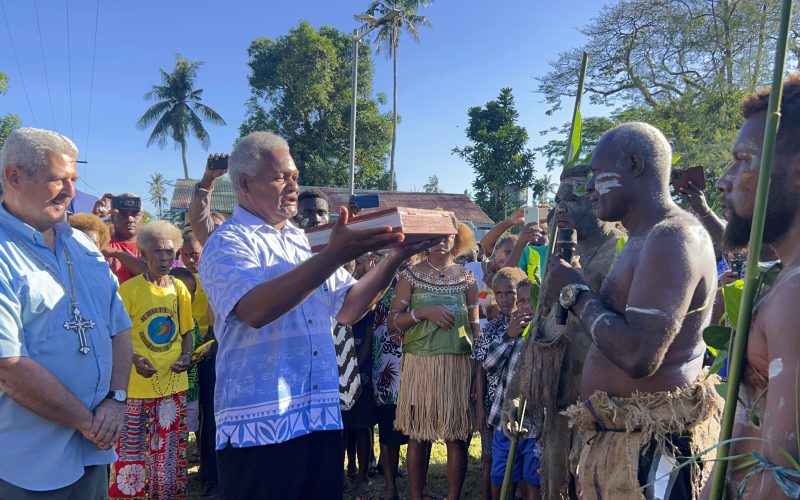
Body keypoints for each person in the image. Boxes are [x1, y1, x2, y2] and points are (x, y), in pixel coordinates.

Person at [198, 131, 436, 499]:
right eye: (281, 177)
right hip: (260, 425)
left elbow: (350, 308)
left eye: (295, 176)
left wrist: (395, 258)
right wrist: (334, 255)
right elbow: (255, 310)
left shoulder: (301, 241)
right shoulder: (228, 241)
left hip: (319, 415)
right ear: (244, 183)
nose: (294, 186)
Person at [544, 122, 722, 499]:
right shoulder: (644, 237)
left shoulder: (672, 237)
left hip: (654, 448)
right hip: (625, 443)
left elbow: (640, 355)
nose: (589, 187)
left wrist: (575, 294)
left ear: (634, 164)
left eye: (597, 173)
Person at [0, 128, 133, 498]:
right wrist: (86, 421)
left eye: (73, 179)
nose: (71, 191)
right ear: (14, 176)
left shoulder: (81, 245)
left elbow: (120, 326)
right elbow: (8, 366)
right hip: (28, 463)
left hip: (94, 449)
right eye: (59, 179)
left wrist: (116, 399)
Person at [705, 75, 800, 497]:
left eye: (744, 159)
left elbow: (782, 477)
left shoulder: (794, 297)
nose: (724, 180)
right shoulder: (784, 279)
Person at [510, 164, 627, 499]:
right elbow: (541, 326)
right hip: (560, 403)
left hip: (605, 410)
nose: (561, 208)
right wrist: (517, 392)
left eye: (572, 199)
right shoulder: (558, 258)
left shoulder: (621, 254)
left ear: (597, 200)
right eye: (558, 201)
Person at [390, 223, 480, 500]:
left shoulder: (466, 277)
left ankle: (453, 497)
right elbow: (393, 322)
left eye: (447, 237)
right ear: (426, 240)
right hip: (420, 364)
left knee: (456, 435)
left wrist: (477, 370)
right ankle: (416, 496)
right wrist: (422, 312)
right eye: (435, 237)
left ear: (457, 240)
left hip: (457, 364)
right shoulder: (410, 275)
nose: (442, 242)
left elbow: (475, 327)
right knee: (418, 433)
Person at [109, 221, 194, 500]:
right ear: (144, 254)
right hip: (136, 386)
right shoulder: (129, 290)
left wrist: (186, 356)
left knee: (169, 454)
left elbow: (187, 331)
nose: (165, 258)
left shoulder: (179, 288)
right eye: (158, 252)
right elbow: (117, 335)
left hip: (173, 385)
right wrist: (134, 358)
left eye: (170, 252)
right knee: (131, 453)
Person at [471, 267, 535, 500]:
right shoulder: (495, 328)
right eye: (499, 293)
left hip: (528, 415)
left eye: (511, 294)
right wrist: (480, 407)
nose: (506, 299)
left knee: (527, 472)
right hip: (497, 409)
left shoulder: (535, 329)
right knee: (494, 462)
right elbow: (484, 366)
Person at [371, 253, 421, 500]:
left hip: (418, 362)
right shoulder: (380, 280)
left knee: (418, 431)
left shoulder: (423, 279)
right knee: (388, 428)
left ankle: (417, 487)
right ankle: (391, 487)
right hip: (386, 365)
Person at [179, 228, 220, 498]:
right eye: (186, 255)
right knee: (196, 416)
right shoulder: (178, 279)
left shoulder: (214, 274)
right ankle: (203, 470)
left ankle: (213, 474)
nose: (192, 260)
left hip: (212, 350)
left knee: (212, 415)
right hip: (187, 354)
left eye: (196, 254)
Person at [104, 193, 146, 284]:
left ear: (143, 218)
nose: (130, 219)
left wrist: (116, 253)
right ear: (112, 217)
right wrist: (95, 215)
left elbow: (148, 272)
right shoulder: (102, 245)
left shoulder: (152, 246)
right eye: (123, 214)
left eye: (135, 214)